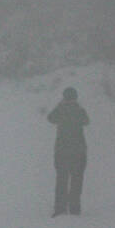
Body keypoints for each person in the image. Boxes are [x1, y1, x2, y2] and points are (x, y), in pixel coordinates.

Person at [48, 87, 88, 217]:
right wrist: (78, 107)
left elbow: (50, 118)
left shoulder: (60, 109)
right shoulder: (79, 110)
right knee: (77, 179)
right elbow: (86, 121)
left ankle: (60, 208)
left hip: (62, 151)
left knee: (61, 180)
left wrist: (60, 105)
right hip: (78, 151)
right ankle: (74, 208)